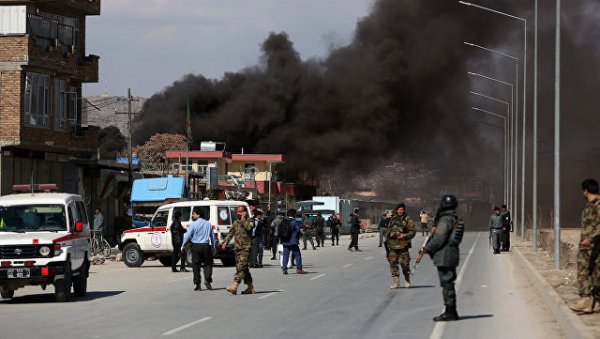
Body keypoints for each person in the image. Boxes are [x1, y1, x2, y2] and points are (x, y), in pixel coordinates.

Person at [422, 194, 461, 321]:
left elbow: (439, 237)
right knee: (448, 283)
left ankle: (450, 312)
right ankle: (451, 310)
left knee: (447, 284)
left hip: (444, 256)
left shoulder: (445, 220)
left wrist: (427, 248)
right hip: (451, 254)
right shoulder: (456, 218)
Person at [569, 179, 600, 313]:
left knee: (586, 273)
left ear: (585, 190)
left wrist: (590, 238)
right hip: (587, 247)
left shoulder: (598, 206)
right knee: (593, 274)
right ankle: (596, 303)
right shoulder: (590, 206)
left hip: (594, 246)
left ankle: (586, 300)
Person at [221, 206, 256, 295]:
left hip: (246, 248)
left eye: (240, 212)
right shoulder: (236, 222)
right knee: (244, 269)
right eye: (237, 212)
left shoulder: (250, 221)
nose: (238, 213)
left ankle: (234, 286)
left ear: (244, 212)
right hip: (237, 248)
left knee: (241, 267)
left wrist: (243, 219)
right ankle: (250, 287)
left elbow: (249, 228)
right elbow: (231, 233)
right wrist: (225, 242)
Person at [181, 207, 215, 291]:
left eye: (194, 213)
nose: (193, 215)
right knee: (207, 263)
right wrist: (213, 246)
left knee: (196, 266)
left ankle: (197, 285)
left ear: (198, 214)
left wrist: (183, 245)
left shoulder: (193, 224)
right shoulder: (208, 224)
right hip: (206, 246)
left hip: (196, 246)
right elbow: (212, 236)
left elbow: (188, 235)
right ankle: (207, 279)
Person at [386, 203, 416, 289]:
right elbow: (388, 231)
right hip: (392, 245)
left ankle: (407, 280)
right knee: (392, 263)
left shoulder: (408, 219)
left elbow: (412, 232)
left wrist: (405, 235)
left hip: (403, 245)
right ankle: (396, 282)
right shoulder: (392, 219)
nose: (400, 211)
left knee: (405, 264)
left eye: (402, 210)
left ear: (404, 210)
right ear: (396, 210)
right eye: (399, 209)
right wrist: (392, 234)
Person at [281, 209, 305, 275]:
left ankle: (284, 269)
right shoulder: (295, 222)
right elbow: (297, 231)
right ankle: (299, 269)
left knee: (285, 255)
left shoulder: (284, 221)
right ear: (294, 214)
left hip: (285, 241)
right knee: (297, 255)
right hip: (293, 241)